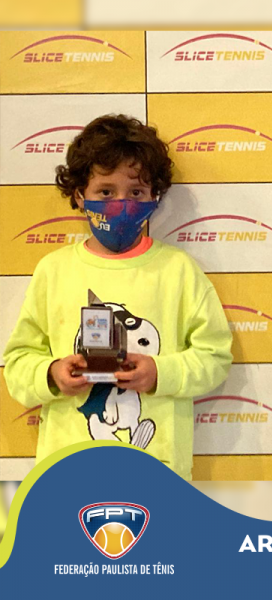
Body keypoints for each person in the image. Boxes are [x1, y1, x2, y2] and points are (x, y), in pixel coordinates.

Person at [3, 114, 233, 480]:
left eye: (136, 193)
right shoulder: (54, 270)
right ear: (80, 195)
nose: (121, 204)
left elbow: (215, 357)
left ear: (154, 197)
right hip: (69, 470)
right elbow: (17, 363)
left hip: (158, 470)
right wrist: (52, 373)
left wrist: (160, 373)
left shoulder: (179, 271)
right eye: (106, 192)